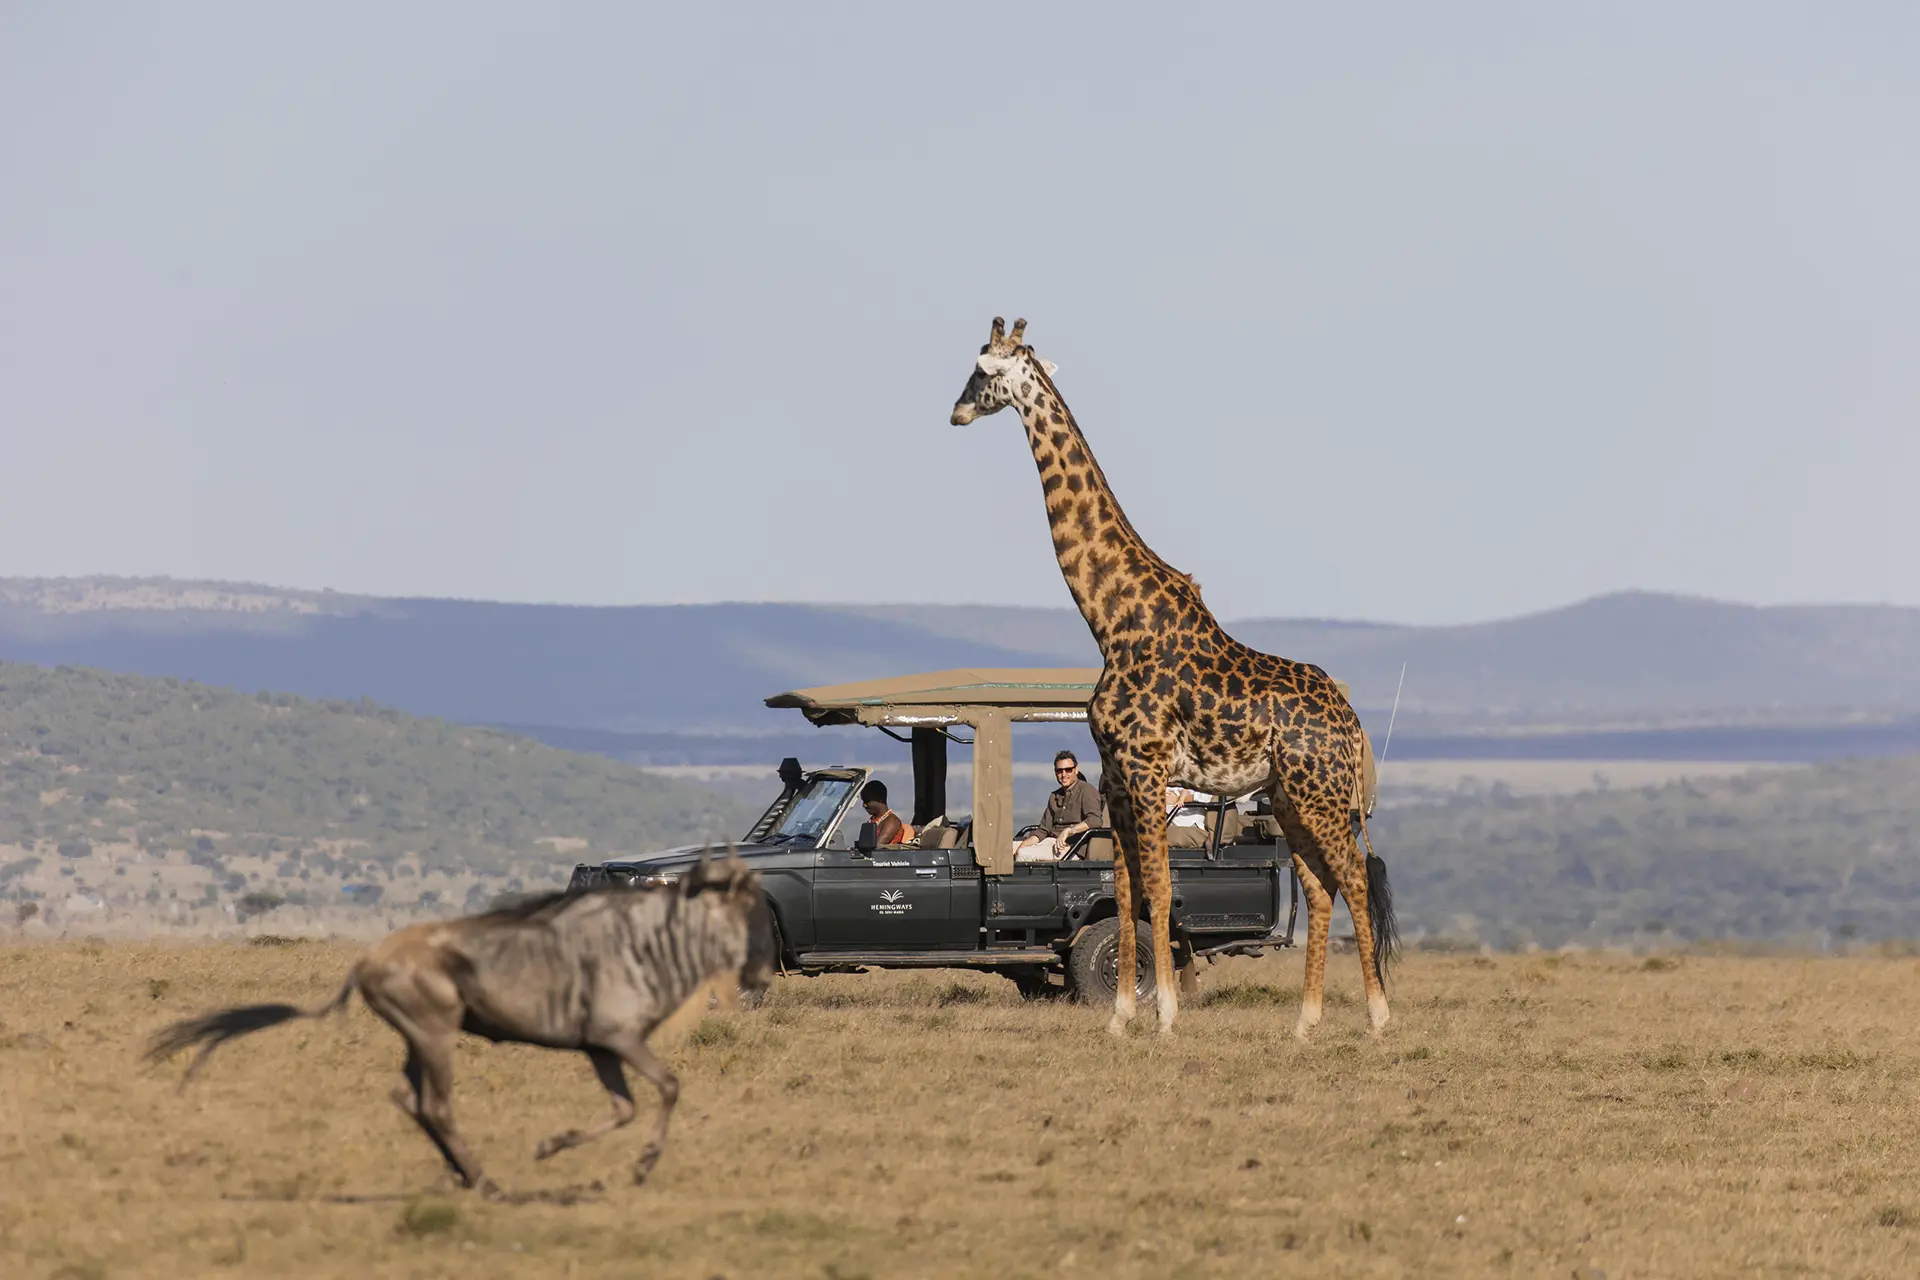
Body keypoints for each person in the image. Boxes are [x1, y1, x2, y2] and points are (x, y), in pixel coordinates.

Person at [1015, 750, 1106, 863]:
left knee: (1023, 854)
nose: (1063, 775)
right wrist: (1022, 845)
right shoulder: (1054, 796)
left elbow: (1095, 820)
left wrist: (1069, 830)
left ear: (1076, 770)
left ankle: (1018, 880)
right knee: (1006, 850)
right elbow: (1043, 830)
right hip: (1051, 841)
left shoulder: (1087, 791)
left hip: (1072, 847)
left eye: (1068, 770)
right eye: (1059, 771)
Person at [860, 780, 913, 847]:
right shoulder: (873, 820)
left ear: (879, 800)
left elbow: (876, 849)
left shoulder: (892, 821)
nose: (864, 805)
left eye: (867, 801)